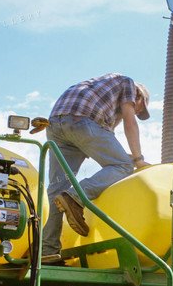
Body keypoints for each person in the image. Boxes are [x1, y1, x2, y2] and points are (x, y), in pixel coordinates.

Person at [41, 73, 150, 260]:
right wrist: (139, 160)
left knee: (57, 188)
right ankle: (76, 196)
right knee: (124, 167)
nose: (137, 113)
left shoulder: (100, 92)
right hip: (83, 120)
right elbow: (129, 123)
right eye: (140, 109)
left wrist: (125, 156)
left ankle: (47, 251)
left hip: (56, 125)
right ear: (138, 97)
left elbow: (101, 142)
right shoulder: (128, 84)